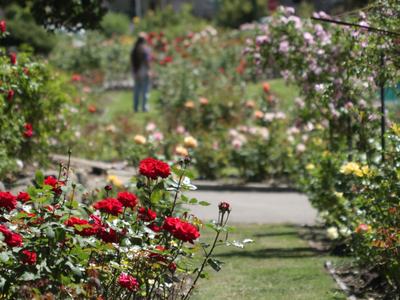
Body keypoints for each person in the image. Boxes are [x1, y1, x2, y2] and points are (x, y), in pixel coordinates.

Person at [130, 34, 151, 112]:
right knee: (145, 90)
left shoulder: (133, 49)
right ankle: (144, 107)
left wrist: (134, 72)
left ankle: (135, 107)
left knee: (136, 90)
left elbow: (132, 62)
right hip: (144, 71)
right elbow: (147, 61)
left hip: (136, 72)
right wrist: (149, 70)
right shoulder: (145, 49)